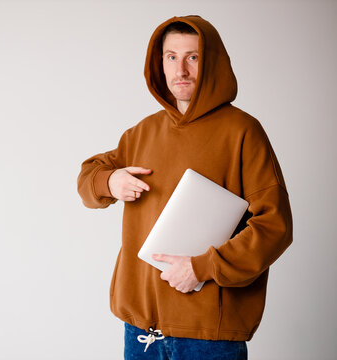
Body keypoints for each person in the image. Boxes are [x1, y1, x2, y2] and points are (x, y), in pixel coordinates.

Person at [76, 15, 293, 360]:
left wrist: (203, 267)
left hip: (208, 336)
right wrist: (110, 180)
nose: (181, 70)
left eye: (192, 56)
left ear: (212, 63)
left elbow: (275, 228)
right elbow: (88, 178)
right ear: (159, 64)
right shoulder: (141, 133)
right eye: (171, 57)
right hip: (141, 332)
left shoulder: (243, 133)